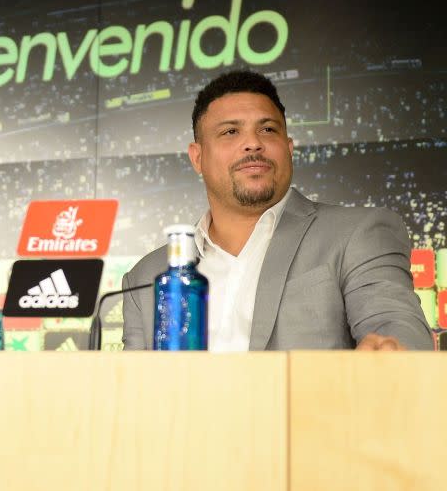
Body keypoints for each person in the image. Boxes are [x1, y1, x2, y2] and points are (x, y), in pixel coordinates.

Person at [121, 70, 432, 351]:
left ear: (289, 147)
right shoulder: (147, 276)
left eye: (268, 129)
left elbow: (394, 325)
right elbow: (131, 391)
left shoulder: (357, 234)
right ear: (197, 157)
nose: (253, 143)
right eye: (231, 132)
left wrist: (391, 350)